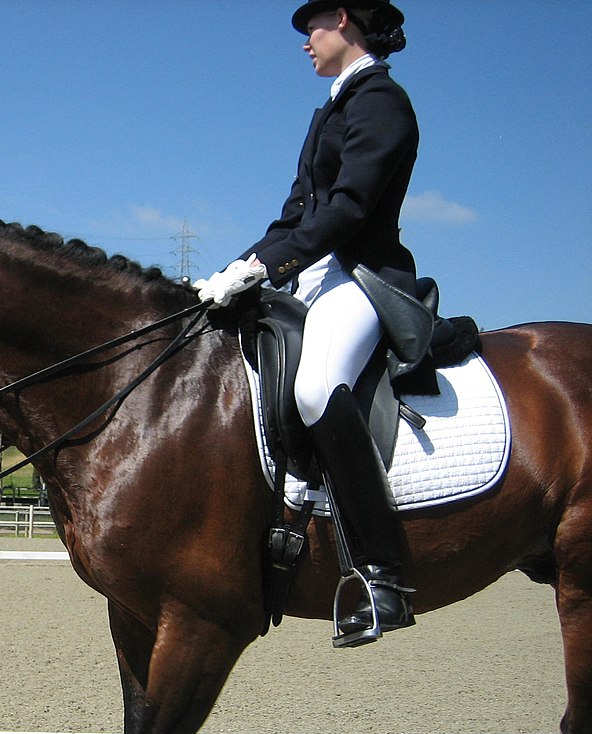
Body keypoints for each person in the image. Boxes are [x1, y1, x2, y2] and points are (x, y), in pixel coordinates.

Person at [194, 1, 417, 647]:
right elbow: (293, 214)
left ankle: (382, 576)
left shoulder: (383, 102)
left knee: (319, 387)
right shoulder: (330, 109)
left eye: (310, 30)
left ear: (343, 21)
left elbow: (348, 209)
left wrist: (270, 266)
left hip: (361, 277)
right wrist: (232, 272)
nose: (304, 45)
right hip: (312, 273)